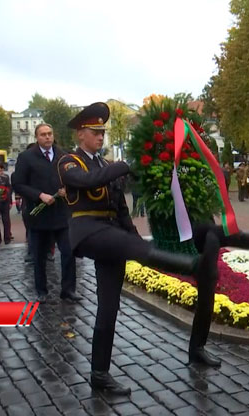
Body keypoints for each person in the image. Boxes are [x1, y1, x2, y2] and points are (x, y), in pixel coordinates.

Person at [57, 102, 221, 393]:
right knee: (123, 244)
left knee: (109, 309)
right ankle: (190, 265)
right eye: (95, 132)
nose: (100, 137)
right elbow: (83, 182)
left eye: (102, 133)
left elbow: (120, 208)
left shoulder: (106, 165)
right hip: (88, 232)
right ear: (80, 133)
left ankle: (99, 374)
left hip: (112, 238)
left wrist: (133, 235)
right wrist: (122, 166)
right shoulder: (70, 161)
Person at [12, 123, 80, 304]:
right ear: (37, 137)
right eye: (43, 135)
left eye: (50, 134)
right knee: (39, 256)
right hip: (39, 216)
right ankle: (41, 291)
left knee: (68, 252)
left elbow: (73, 179)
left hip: (61, 214)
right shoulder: (26, 157)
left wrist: (68, 190)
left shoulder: (64, 155)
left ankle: (68, 290)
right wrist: (39, 195)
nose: (47, 137)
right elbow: (18, 184)